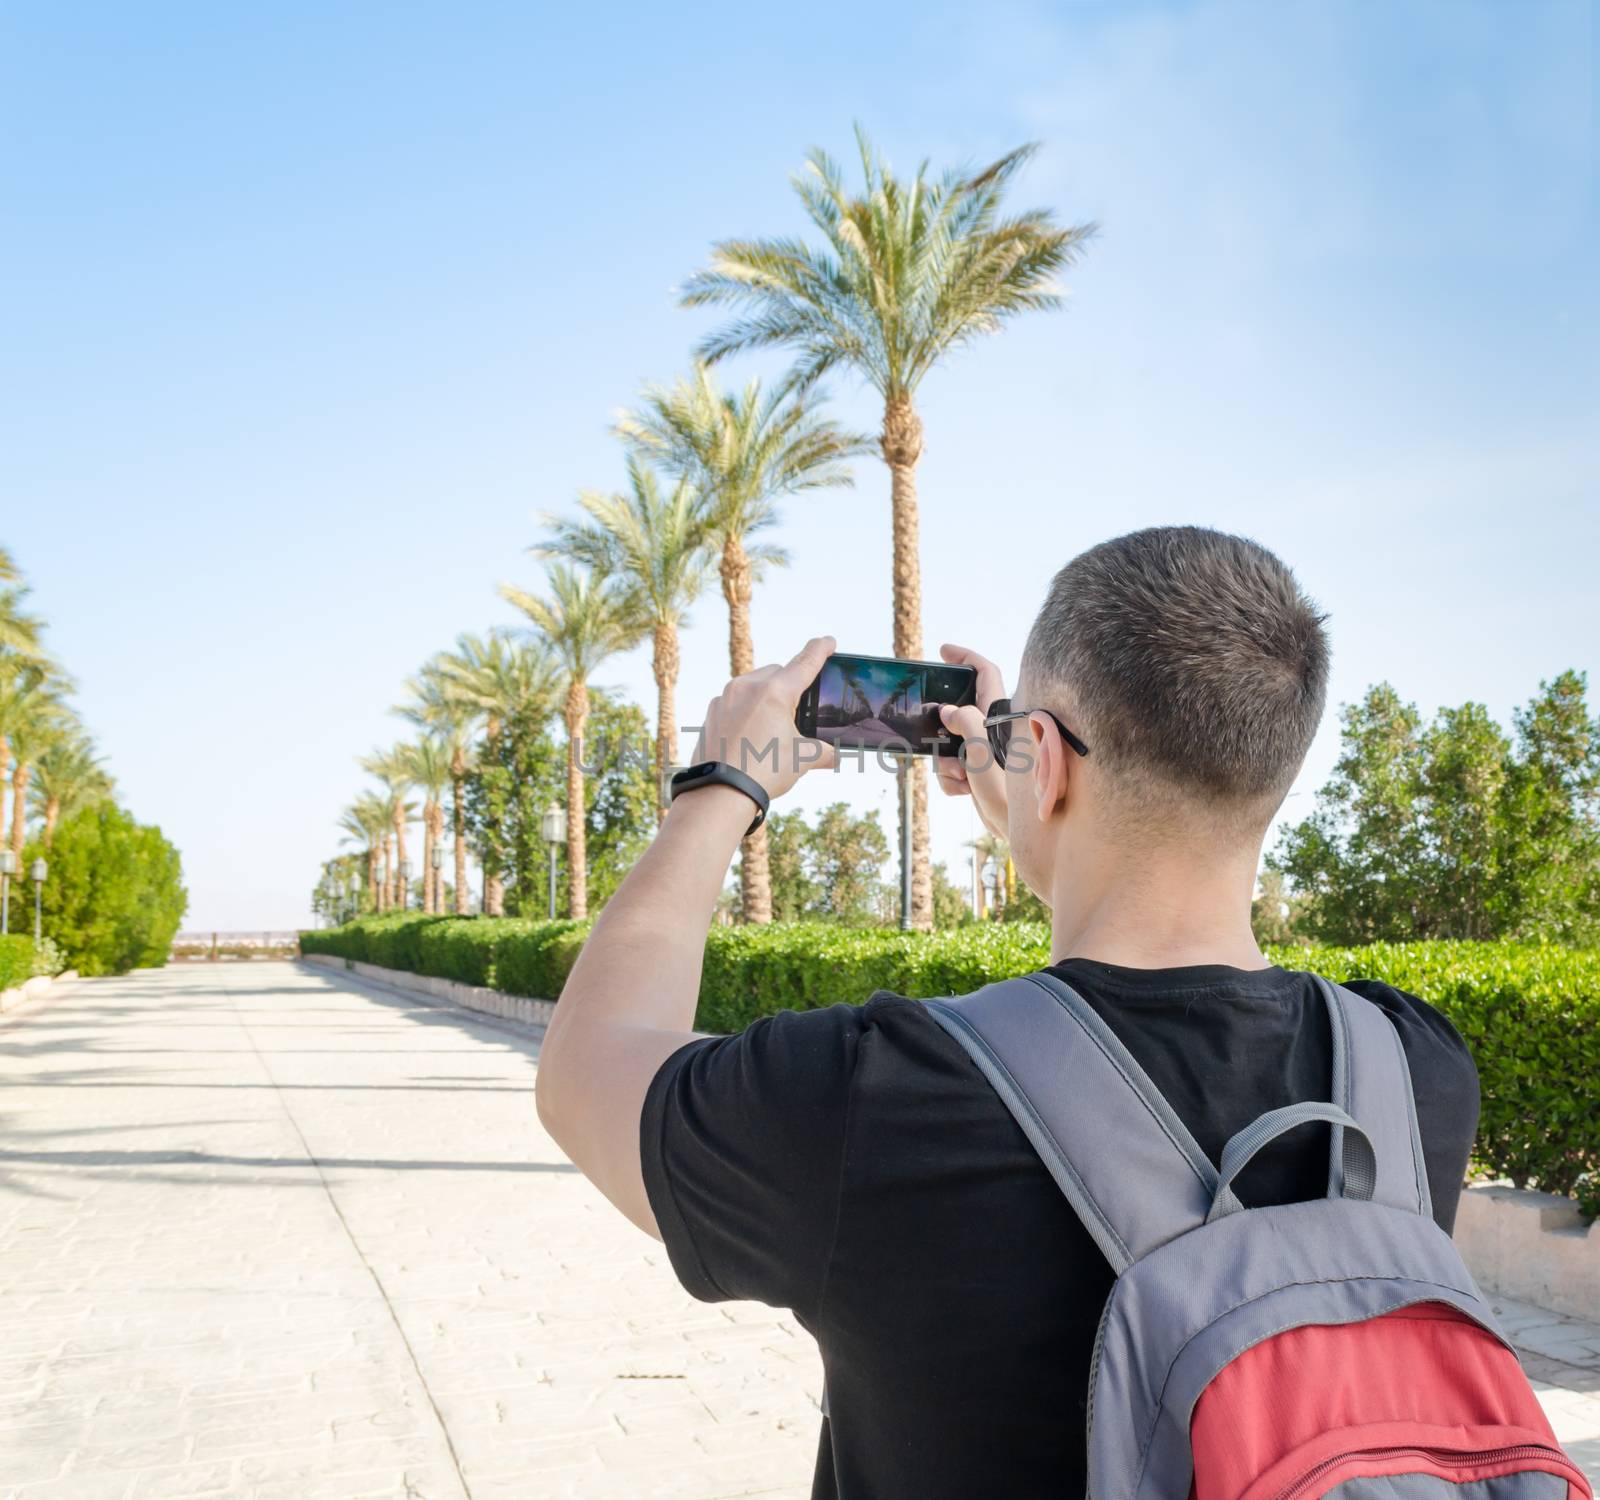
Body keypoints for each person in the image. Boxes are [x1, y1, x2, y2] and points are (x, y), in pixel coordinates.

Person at [535, 525, 1480, 1499]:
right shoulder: (1411, 1073)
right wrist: (1049, 826)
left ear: (1045, 754)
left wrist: (720, 785)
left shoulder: (885, 1093)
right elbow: (1130, 1006)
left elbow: (585, 1070)